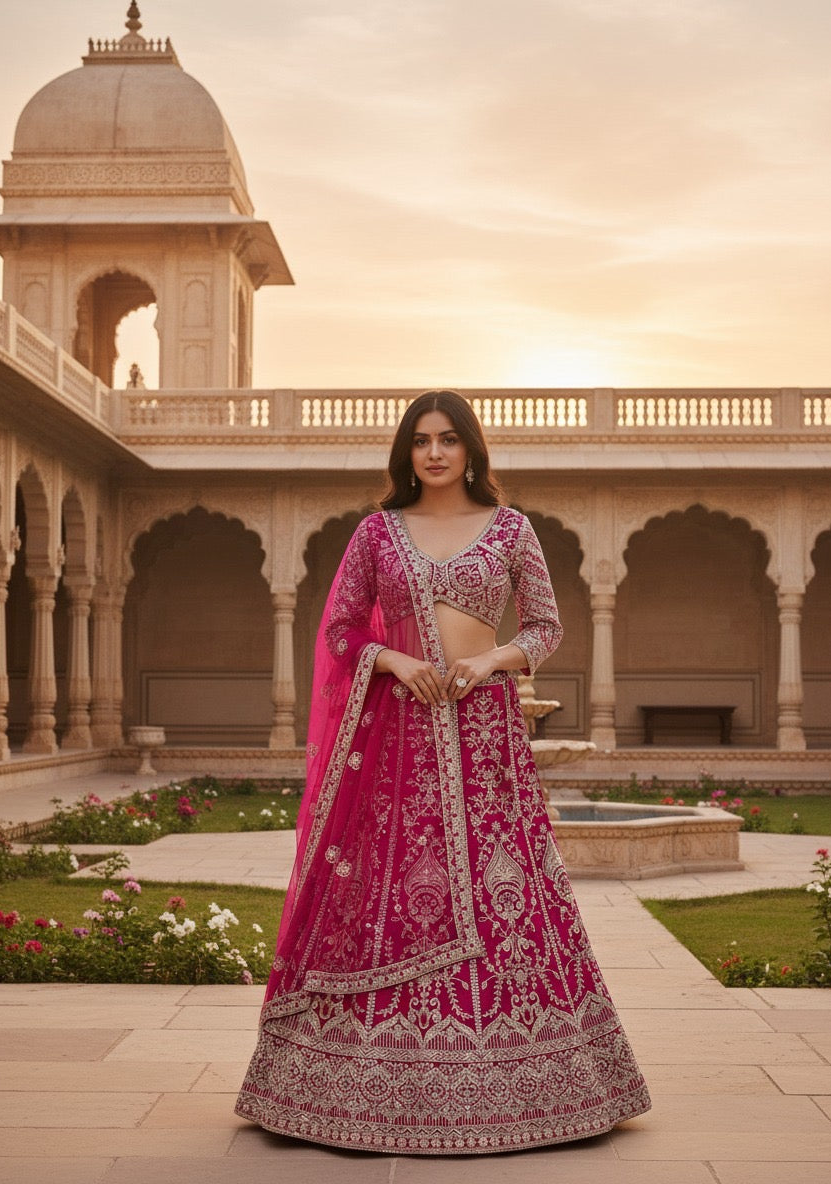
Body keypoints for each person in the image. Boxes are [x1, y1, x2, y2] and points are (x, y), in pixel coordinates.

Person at [235, 389, 651, 1154]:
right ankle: (352, 1082)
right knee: (391, 887)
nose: (433, 452)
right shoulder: (377, 533)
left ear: (470, 450)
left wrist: (494, 660)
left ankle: (533, 1080)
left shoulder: (512, 529)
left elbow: (546, 627)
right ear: (406, 452)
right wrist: (392, 657)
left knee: (508, 887)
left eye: (448, 439)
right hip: (397, 735)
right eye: (421, 440)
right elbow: (336, 629)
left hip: (484, 730)